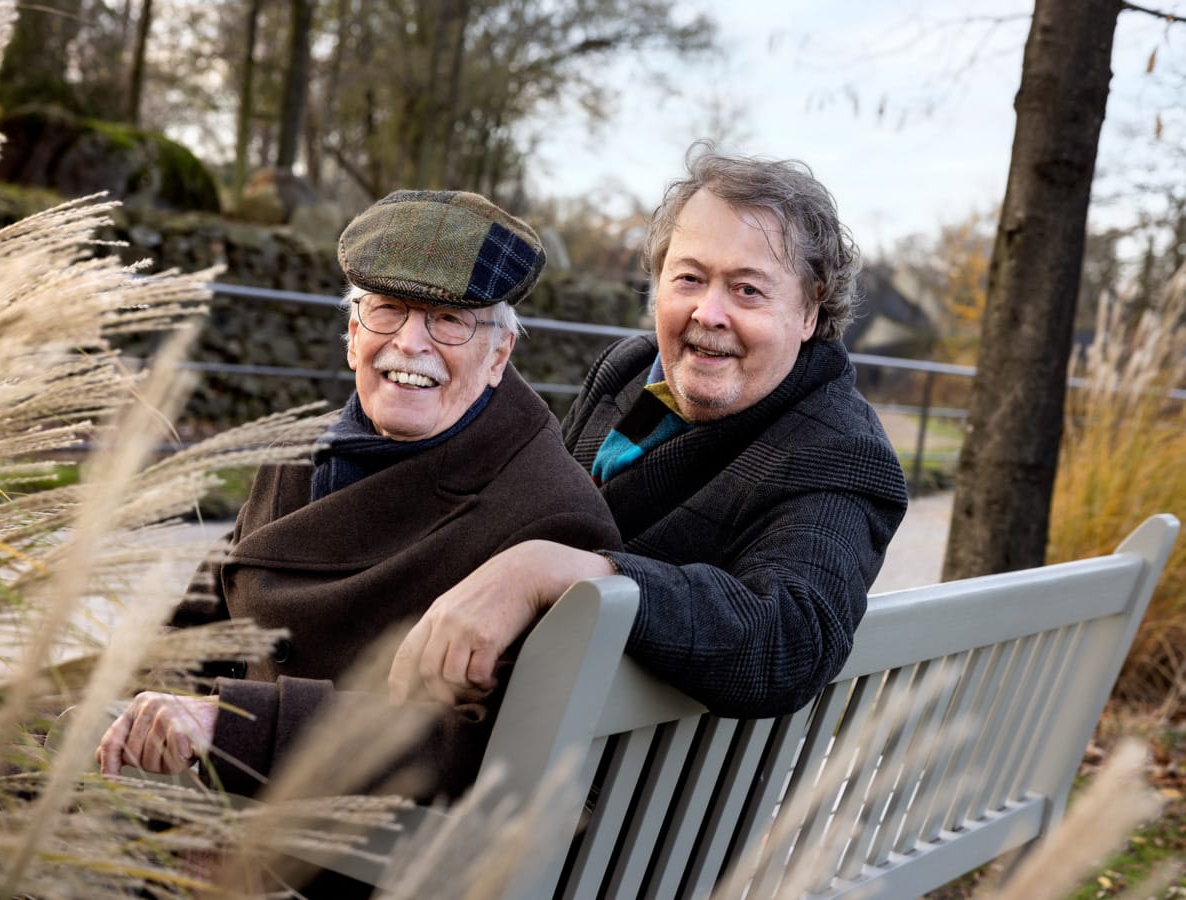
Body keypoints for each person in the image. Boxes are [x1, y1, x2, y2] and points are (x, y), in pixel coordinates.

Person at [96, 189, 621, 799]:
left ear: (499, 353)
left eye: (447, 320)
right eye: (389, 310)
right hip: (198, 789)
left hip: (330, 842)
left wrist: (229, 730)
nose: (409, 343)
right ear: (352, 335)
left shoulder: (548, 515)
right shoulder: (302, 449)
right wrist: (151, 715)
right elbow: (203, 614)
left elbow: (462, 743)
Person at [389, 145, 909, 721]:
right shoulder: (630, 370)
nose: (709, 312)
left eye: (748, 290)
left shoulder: (838, 451)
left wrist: (562, 572)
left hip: (612, 792)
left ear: (809, 312)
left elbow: (786, 639)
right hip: (517, 715)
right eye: (689, 278)